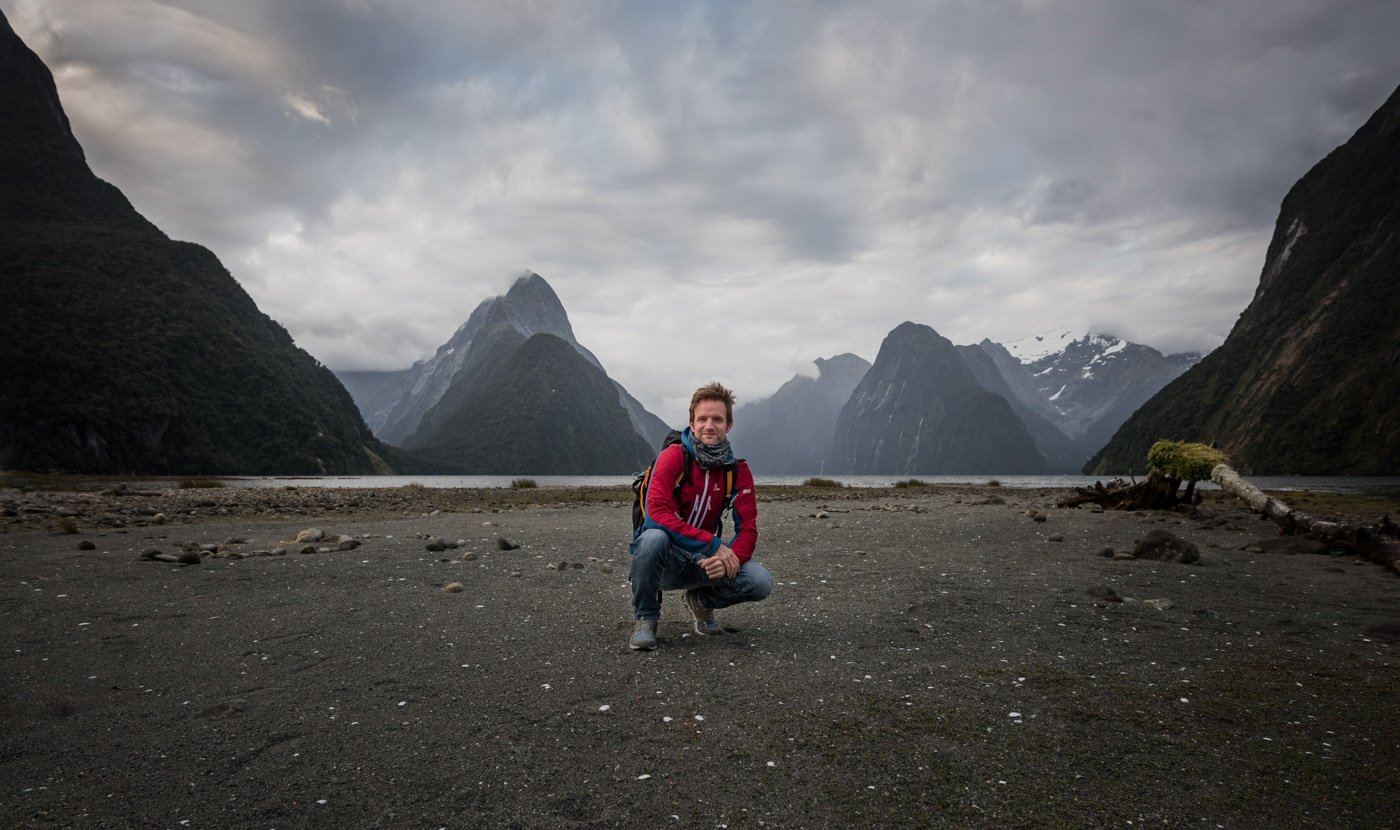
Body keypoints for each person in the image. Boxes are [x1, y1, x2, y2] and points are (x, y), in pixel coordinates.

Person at [628, 382, 772, 651]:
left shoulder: (737, 471)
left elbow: (748, 530)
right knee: (652, 538)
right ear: (692, 423)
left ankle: (701, 602)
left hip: (704, 561)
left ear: (729, 425)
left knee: (760, 582)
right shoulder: (673, 457)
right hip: (665, 561)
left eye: (717, 419)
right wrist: (714, 545)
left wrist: (730, 559)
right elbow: (656, 515)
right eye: (702, 419)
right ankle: (646, 618)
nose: (709, 425)